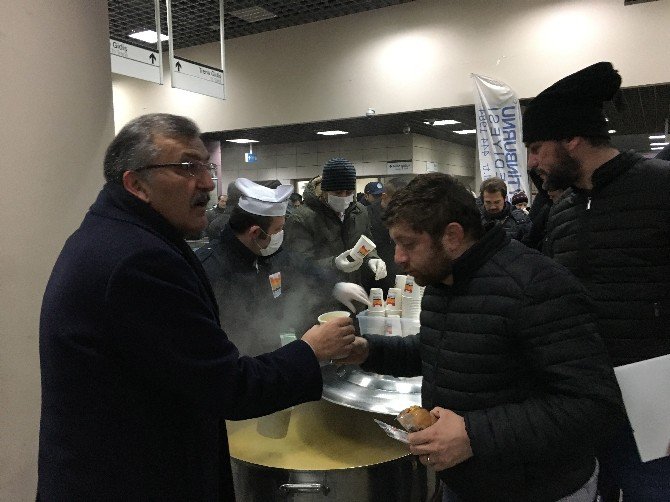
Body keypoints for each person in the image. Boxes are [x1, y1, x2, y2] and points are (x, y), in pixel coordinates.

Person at [37, 113, 356, 501]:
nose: (207, 182)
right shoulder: (137, 261)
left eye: (206, 166)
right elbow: (228, 386)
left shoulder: (121, 235)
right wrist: (311, 351)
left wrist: (335, 277)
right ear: (136, 183)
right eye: (187, 167)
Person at [339, 172, 624, 502]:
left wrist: (474, 435)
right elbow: (442, 349)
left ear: (453, 236)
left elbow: (594, 404)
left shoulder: (535, 286)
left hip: (540, 490)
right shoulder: (442, 280)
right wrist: (367, 351)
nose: (398, 258)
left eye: (409, 244)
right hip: (464, 485)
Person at [523, 61, 670, 502]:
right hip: (583, 399)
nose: (532, 162)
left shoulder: (660, 188)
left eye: (537, 148)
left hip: (656, 402)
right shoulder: (563, 210)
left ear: (572, 138)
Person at [197, 177, 369, 356]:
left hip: (274, 358)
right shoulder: (208, 269)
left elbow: (302, 267)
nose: (281, 235)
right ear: (255, 233)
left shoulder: (267, 253)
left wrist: (335, 286)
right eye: (277, 230)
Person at [283, 157, 387, 288]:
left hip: (355, 291)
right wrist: (334, 264)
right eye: (337, 193)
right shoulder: (302, 218)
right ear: (324, 190)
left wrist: (372, 258)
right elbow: (298, 263)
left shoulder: (359, 212)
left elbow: (365, 242)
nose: (343, 197)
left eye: (348, 192)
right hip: (318, 298)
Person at [364, 174, 416, 292]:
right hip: (374, 281)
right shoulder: (366, 215)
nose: (401, 206)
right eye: (397, 202)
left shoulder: (407, 216)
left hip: (401, 278)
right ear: (384, 197)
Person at [478, 177, 531, 241]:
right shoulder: (475, 218)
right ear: (482, 200)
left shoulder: (520, 219)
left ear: (505, 198)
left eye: (497, 202)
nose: (493, 207)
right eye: (488, 202)